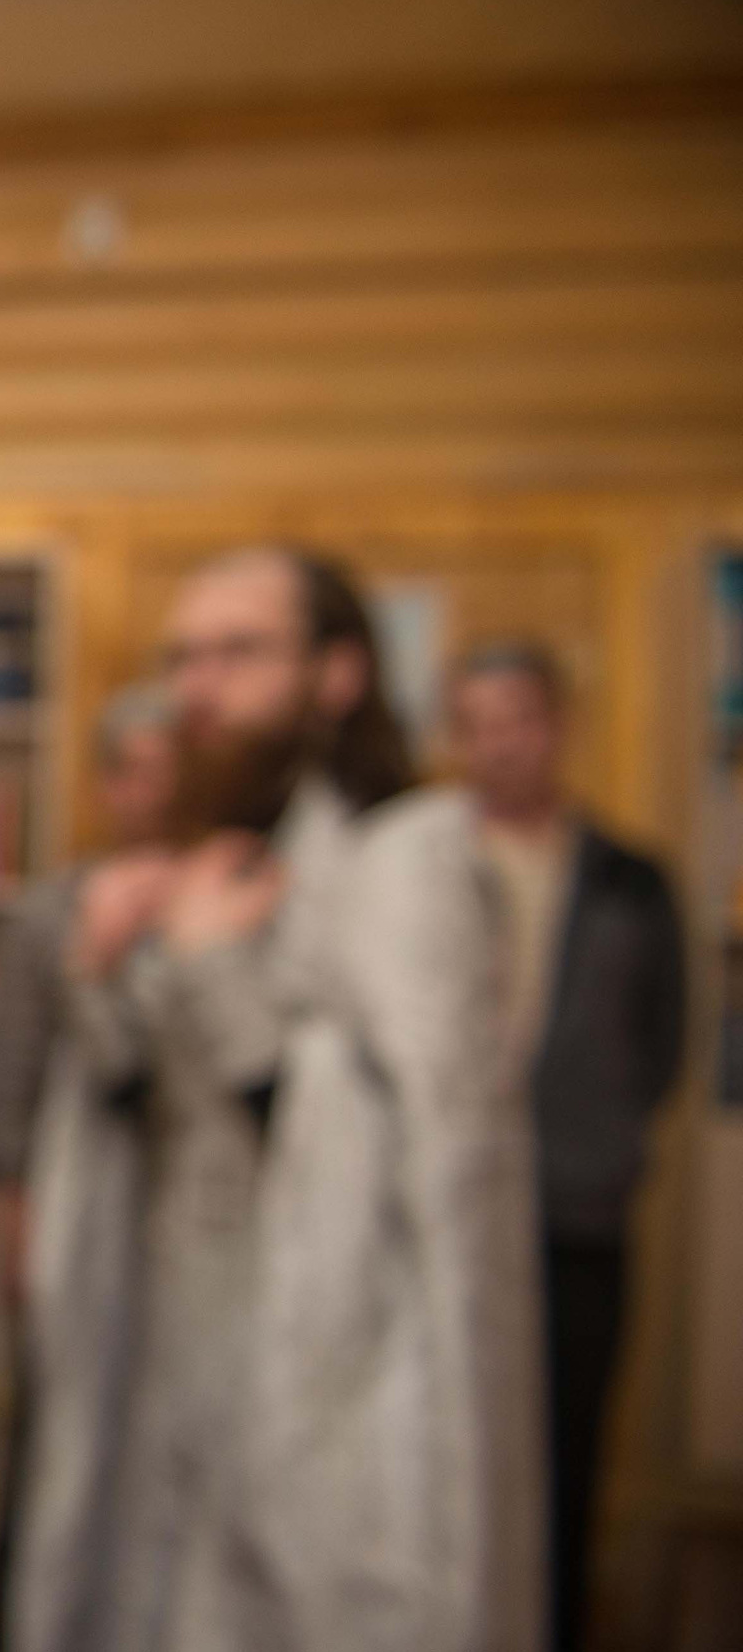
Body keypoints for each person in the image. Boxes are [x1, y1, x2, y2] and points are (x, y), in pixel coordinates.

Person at [15, 547, 543, 1652]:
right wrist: (98, 965)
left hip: (331, 1387)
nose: (197, 686)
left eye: (240, 651)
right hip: (178, 1358)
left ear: (336, 674)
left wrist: (207, 971)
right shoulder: (219, 851)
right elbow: (141, 1108)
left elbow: (413, 1161)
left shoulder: (408, 859)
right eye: (182, 657)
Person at [449, 642, 685, 1652]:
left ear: (556, 723)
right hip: (449, 1218)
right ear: (455, 736)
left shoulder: (630, 877)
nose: (502, 742)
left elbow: (661, 1038)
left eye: (520, 717)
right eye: (478, 721)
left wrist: (603, 1135)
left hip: (577, 1214)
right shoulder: (427, 862)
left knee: (565, 1460)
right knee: (452, 1461)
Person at [0, 683, 176, 1651]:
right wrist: (18, 1241)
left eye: (172, 763)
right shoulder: (49, 912)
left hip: (187, 1234)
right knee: (55, 1454)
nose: (158, 787)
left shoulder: (228, 893)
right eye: (136, 767)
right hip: (73, 1219)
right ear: (105, 783)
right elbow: (5, 1098)